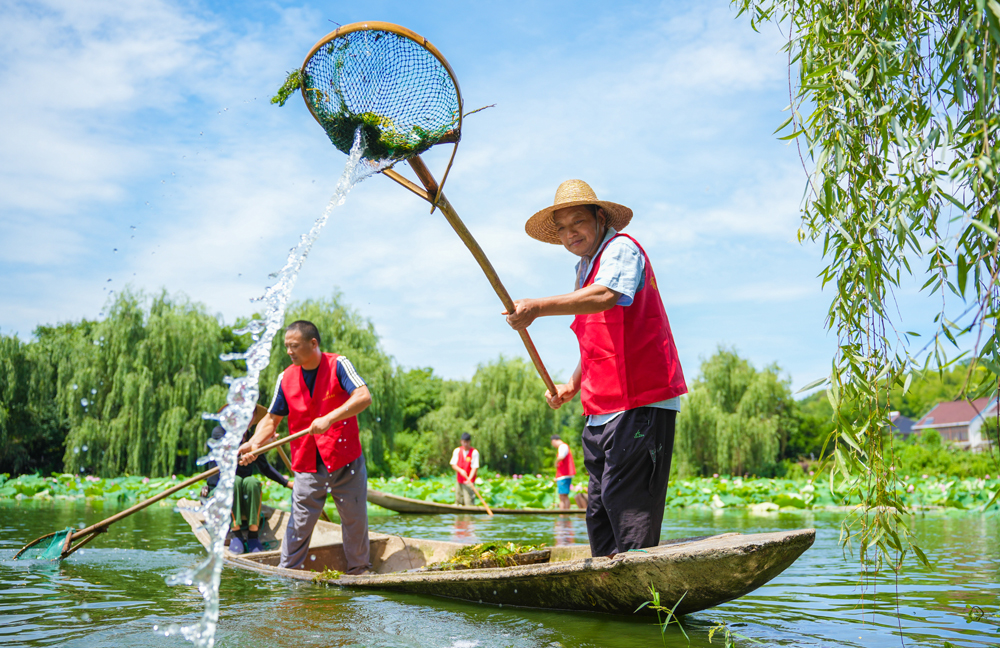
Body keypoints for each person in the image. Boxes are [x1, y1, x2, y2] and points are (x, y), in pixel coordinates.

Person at [504, 179, 687, 558]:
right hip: (600, 409)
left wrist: (537, 307)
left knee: (627, 501)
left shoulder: (621, 248)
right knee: (599, 507)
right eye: (562, 228)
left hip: (640, 401)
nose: (571, 234)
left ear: (600, 218)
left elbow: (606, 296)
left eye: (578, 222)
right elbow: (594, 343)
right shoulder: (583, 269)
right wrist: (571, 385)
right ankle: (607, 581)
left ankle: (640, 589)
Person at [238, 320, 373, 575]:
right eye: (286, 346)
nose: (289, 351)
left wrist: (330, 418)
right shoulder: (285, 377)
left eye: (294, 346)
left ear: (313, 343)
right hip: (308, 462)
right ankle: (289, 571)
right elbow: (272, 419)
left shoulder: (338, 364)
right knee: (299, 523)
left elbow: (363, 396)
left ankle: (360, 570)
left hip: (345, 458)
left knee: (354, 519)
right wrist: (253, 445)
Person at [204, 404, 290, 554]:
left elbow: (265, 468)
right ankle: (236, 534)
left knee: (253, 482)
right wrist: (262, 443)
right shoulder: (219, 433)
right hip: (220, 491)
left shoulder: (252, 438)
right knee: (235, 481)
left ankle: (253, 535)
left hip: (243, 494)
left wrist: (288, 483)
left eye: (251, 414)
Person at [449, 432, 479, 506]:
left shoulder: (474, 452)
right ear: (461, 441)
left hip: (469, 481)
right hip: (460, 480)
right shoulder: (457, 451)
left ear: (470, 442)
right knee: (458, 501)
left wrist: (469, 478)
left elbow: (474, 468)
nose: (465, 444)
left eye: (467, 442)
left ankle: (469, 515)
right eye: (464, 442)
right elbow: (453, 464)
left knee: (468, 502)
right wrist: (461, 470)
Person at [550, 434, 576, 510]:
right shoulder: (564, 446)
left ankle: (563, 514)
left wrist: (555, 462)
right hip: (563, 475)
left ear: (554, 441)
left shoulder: (562, 446)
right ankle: (565, 513)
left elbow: (561, 456)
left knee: (562, 496)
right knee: (563, 495)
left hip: (564, 475)